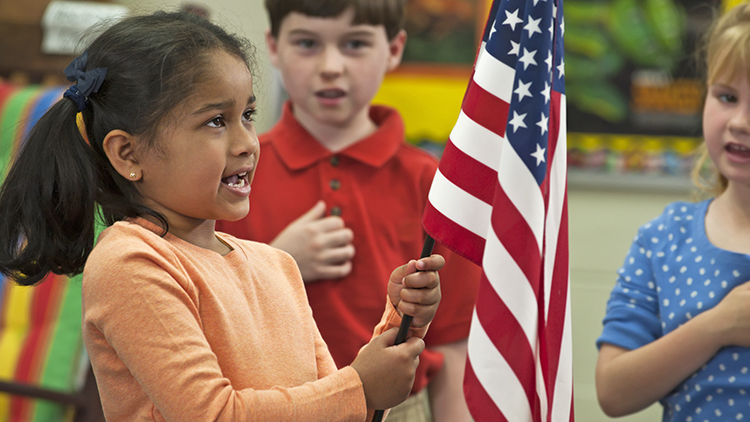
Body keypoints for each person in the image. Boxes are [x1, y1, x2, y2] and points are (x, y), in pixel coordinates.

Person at [0, 11, 445, 422]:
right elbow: (212, 415)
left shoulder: (278, 266)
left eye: (247, 115)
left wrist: (399, 325)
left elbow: (332, 407)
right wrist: (360, 388)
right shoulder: (131, 262)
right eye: (216, 121)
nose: (248, 142)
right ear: (128, 153)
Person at [215, 1, 481, 420]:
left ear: (394, 48)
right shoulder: (233, 175)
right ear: (274, 47)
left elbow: (453, 342)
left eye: (355, 44)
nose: (331, 66)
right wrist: (281, 264)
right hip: (273, 405)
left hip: (398, 407)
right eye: (307, 43)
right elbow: (206, 315)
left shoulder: (431, 183)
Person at [595, 3, 750, 420]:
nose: (740, 121)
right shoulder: (665, 238)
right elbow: (612, 390)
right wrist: (720, 325)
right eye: (727, 97)